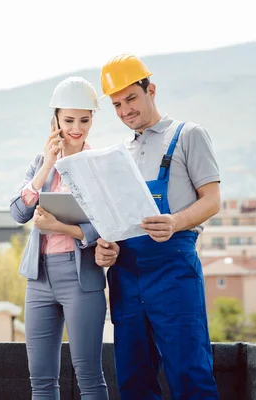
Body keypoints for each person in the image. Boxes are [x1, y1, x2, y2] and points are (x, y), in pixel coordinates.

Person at [95, 54, 221, 400]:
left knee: (189, 372)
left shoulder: (188, 135)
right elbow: (116, 219)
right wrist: (108, 246)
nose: (125, 111)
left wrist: (175, 222)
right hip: (125, 274)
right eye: (117, 105)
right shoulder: (119, 154)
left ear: (151, 89)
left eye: (131, 99)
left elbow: (212, 200)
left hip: (173, 270)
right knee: (134, 377)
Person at [10, 76, 109, 400]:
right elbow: (18, 213)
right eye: (68, 120)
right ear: (55, 121)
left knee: (89, 377)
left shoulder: (99, 166)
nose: (76, 128)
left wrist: (61, 228)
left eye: (84, 120)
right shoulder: (41, 163)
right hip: (39, 278)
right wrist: (47, 165)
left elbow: (109, 226)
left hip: (81, 279)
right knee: (40, 379)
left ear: (93, 119)